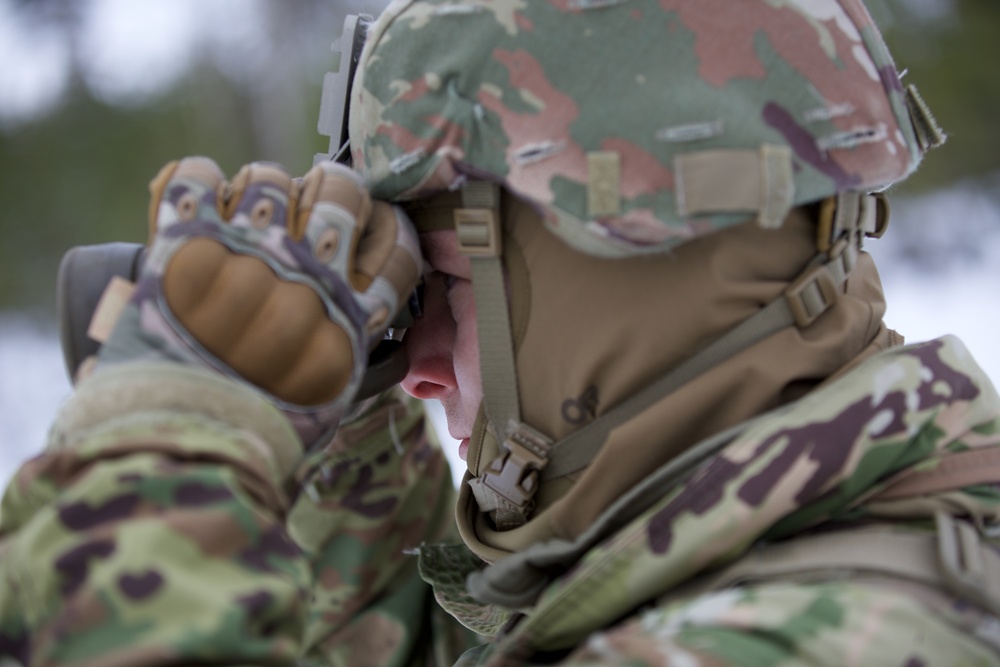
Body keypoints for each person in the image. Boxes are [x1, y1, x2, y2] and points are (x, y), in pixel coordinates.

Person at [3, 1, 1000, 665]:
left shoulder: (838, 639)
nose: (418, 369)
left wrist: (159, 455)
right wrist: (334, 436)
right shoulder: (776, 546)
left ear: (640, 269)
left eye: (441, 281)